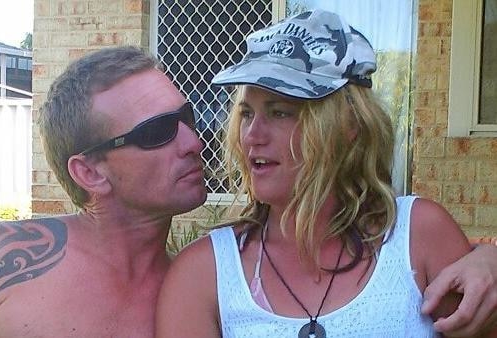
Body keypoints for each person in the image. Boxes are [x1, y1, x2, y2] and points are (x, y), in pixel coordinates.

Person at [155, 10, 497, 337]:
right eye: (246, 113)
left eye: (280, 113)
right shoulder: (204, 272)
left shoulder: (418, 235)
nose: (252, 135)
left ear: (348, 125)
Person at [0, 46, 207, 337]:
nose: (194, 143)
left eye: (186, 118)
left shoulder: (199, 296)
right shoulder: (0, 255)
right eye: (157, 132)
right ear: (89, 173)